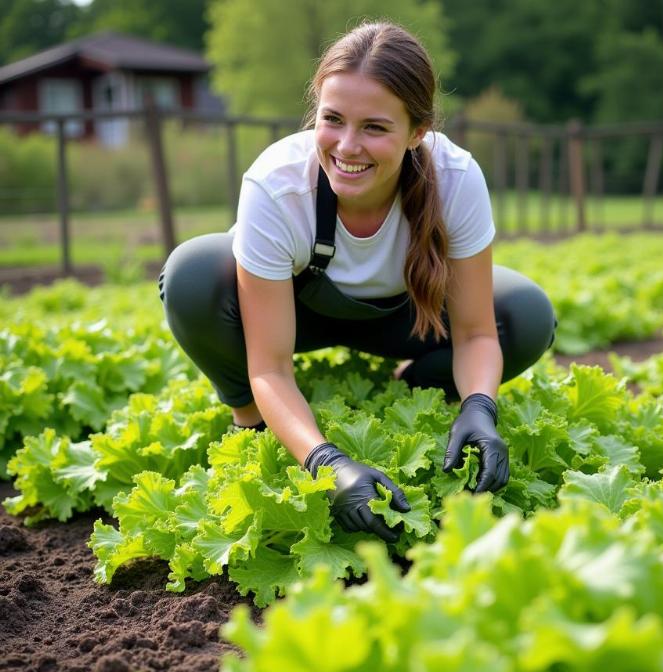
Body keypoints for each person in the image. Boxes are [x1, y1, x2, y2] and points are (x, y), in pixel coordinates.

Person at [159, 21, 556, 544]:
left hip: (408, 317)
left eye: (374, 127)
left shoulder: (457, 178)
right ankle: (253, 424)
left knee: (525, 314)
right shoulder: (277, 185)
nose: (347, 147)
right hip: (297, 313)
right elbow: (271, 368)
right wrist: (327, 461)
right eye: (333, 120)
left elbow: (478, 334)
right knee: (191, 276)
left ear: (418, 132)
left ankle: (411, 395)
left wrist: (480, 408)